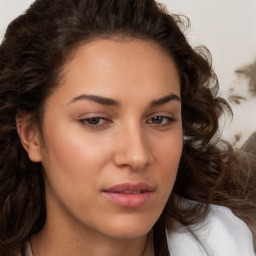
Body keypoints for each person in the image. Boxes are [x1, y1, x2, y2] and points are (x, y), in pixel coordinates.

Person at [0, 0, 255, 255]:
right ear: (30, 134)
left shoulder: (233, 242)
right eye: (95, 120)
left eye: (159, 119)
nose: (137, 156)